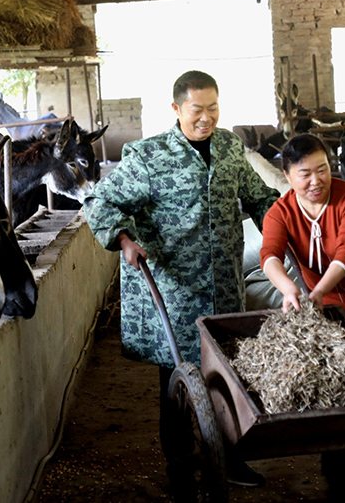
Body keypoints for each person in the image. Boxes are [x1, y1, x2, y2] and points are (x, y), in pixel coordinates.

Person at [84, 70, 279, 489]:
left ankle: (232, 459)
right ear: (176, 109)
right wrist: (122, 238)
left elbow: (260, 198)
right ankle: (179, 465)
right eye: (197, 110)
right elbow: (99, 201)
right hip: (174, 292)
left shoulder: (228, 147)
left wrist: (289, 228)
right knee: (176, 380)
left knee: (229, 375)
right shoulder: (148, 156)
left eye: (213, 108)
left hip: (224, 285)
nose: (206, 118)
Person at [259, 133, 345, 346]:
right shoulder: (280, 213)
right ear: (287, 175)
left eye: (322, 170)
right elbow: (270, 255)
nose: (316, 181)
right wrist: (288, 289)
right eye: (305, 174)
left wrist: (320, 290)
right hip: (326, 308)